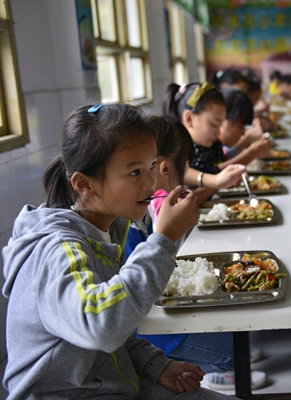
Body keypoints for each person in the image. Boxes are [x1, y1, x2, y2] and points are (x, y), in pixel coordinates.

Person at [2, 103, 237, 399]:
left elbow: (118, 333)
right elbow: (101, 326)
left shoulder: (111, 228)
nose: (151, 182)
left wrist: (153, 363)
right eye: (134, 172)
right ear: (84, 184)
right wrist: (164, 239)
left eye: (151, 166)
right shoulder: (56, 251)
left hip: (117, 385)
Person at [125, 116, 267, 391]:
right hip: (150, 332)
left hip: (160, 314)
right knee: (235, 349)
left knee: (241, 332)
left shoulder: (150, 205)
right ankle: (213, 371)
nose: (189, 173)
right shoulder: (137, 218)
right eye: (187, 167)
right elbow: (141, 298)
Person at [162, 82, 252, 205]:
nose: (218, 132)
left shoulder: (208, 145)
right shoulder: (174, 152)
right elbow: (181, 171)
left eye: (220, 125)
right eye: (214, 125)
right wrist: (216, 181)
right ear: (189, 118)